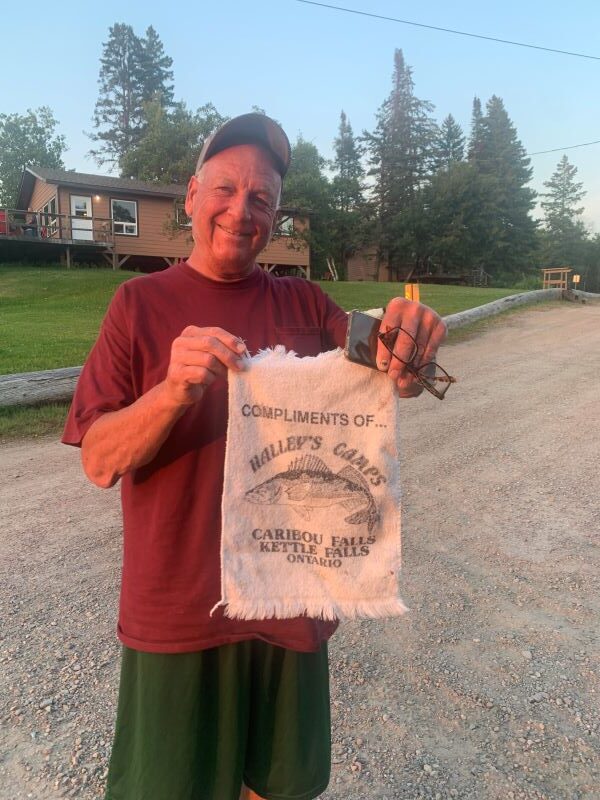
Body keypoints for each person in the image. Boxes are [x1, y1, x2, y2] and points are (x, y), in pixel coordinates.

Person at [62, 113, 447, 800]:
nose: (242, 212)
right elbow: (97, 459)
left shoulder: (305, 303)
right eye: (226, 189)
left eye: (262, 199)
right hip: (180, 613)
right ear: (191, 194)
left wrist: (410, 346)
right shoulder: (136, 305)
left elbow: (385, 357)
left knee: (281, 786)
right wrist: (173, 390)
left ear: (276, 218)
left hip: (287, 602)